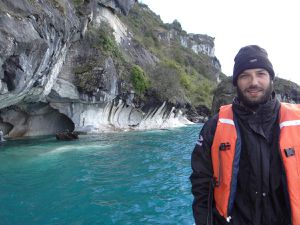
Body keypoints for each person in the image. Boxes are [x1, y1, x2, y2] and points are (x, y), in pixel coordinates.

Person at [190, 45, 300, 225]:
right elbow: (201, 187)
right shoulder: (214, 127)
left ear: (271, 78)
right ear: (236, 82)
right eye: (245, 76)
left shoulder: (297, 122)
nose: (253, 82)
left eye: (260, 74)